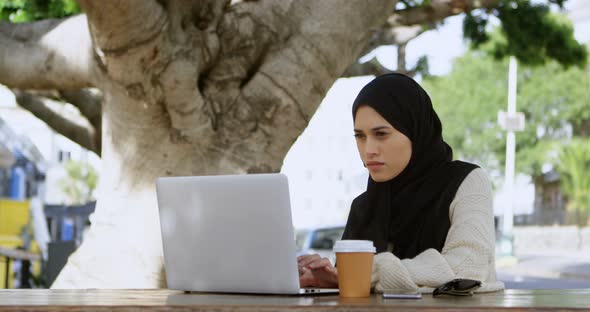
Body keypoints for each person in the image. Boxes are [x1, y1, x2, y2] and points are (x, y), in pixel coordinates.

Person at [297, 73, 505, 293]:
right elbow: (351, 288)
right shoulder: (365, 207)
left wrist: (366, 273)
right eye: (360, 136)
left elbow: (467, 269)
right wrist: (322, 278)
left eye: (381, 134)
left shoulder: (466, 181)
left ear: (414, 131)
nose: (369, 149)